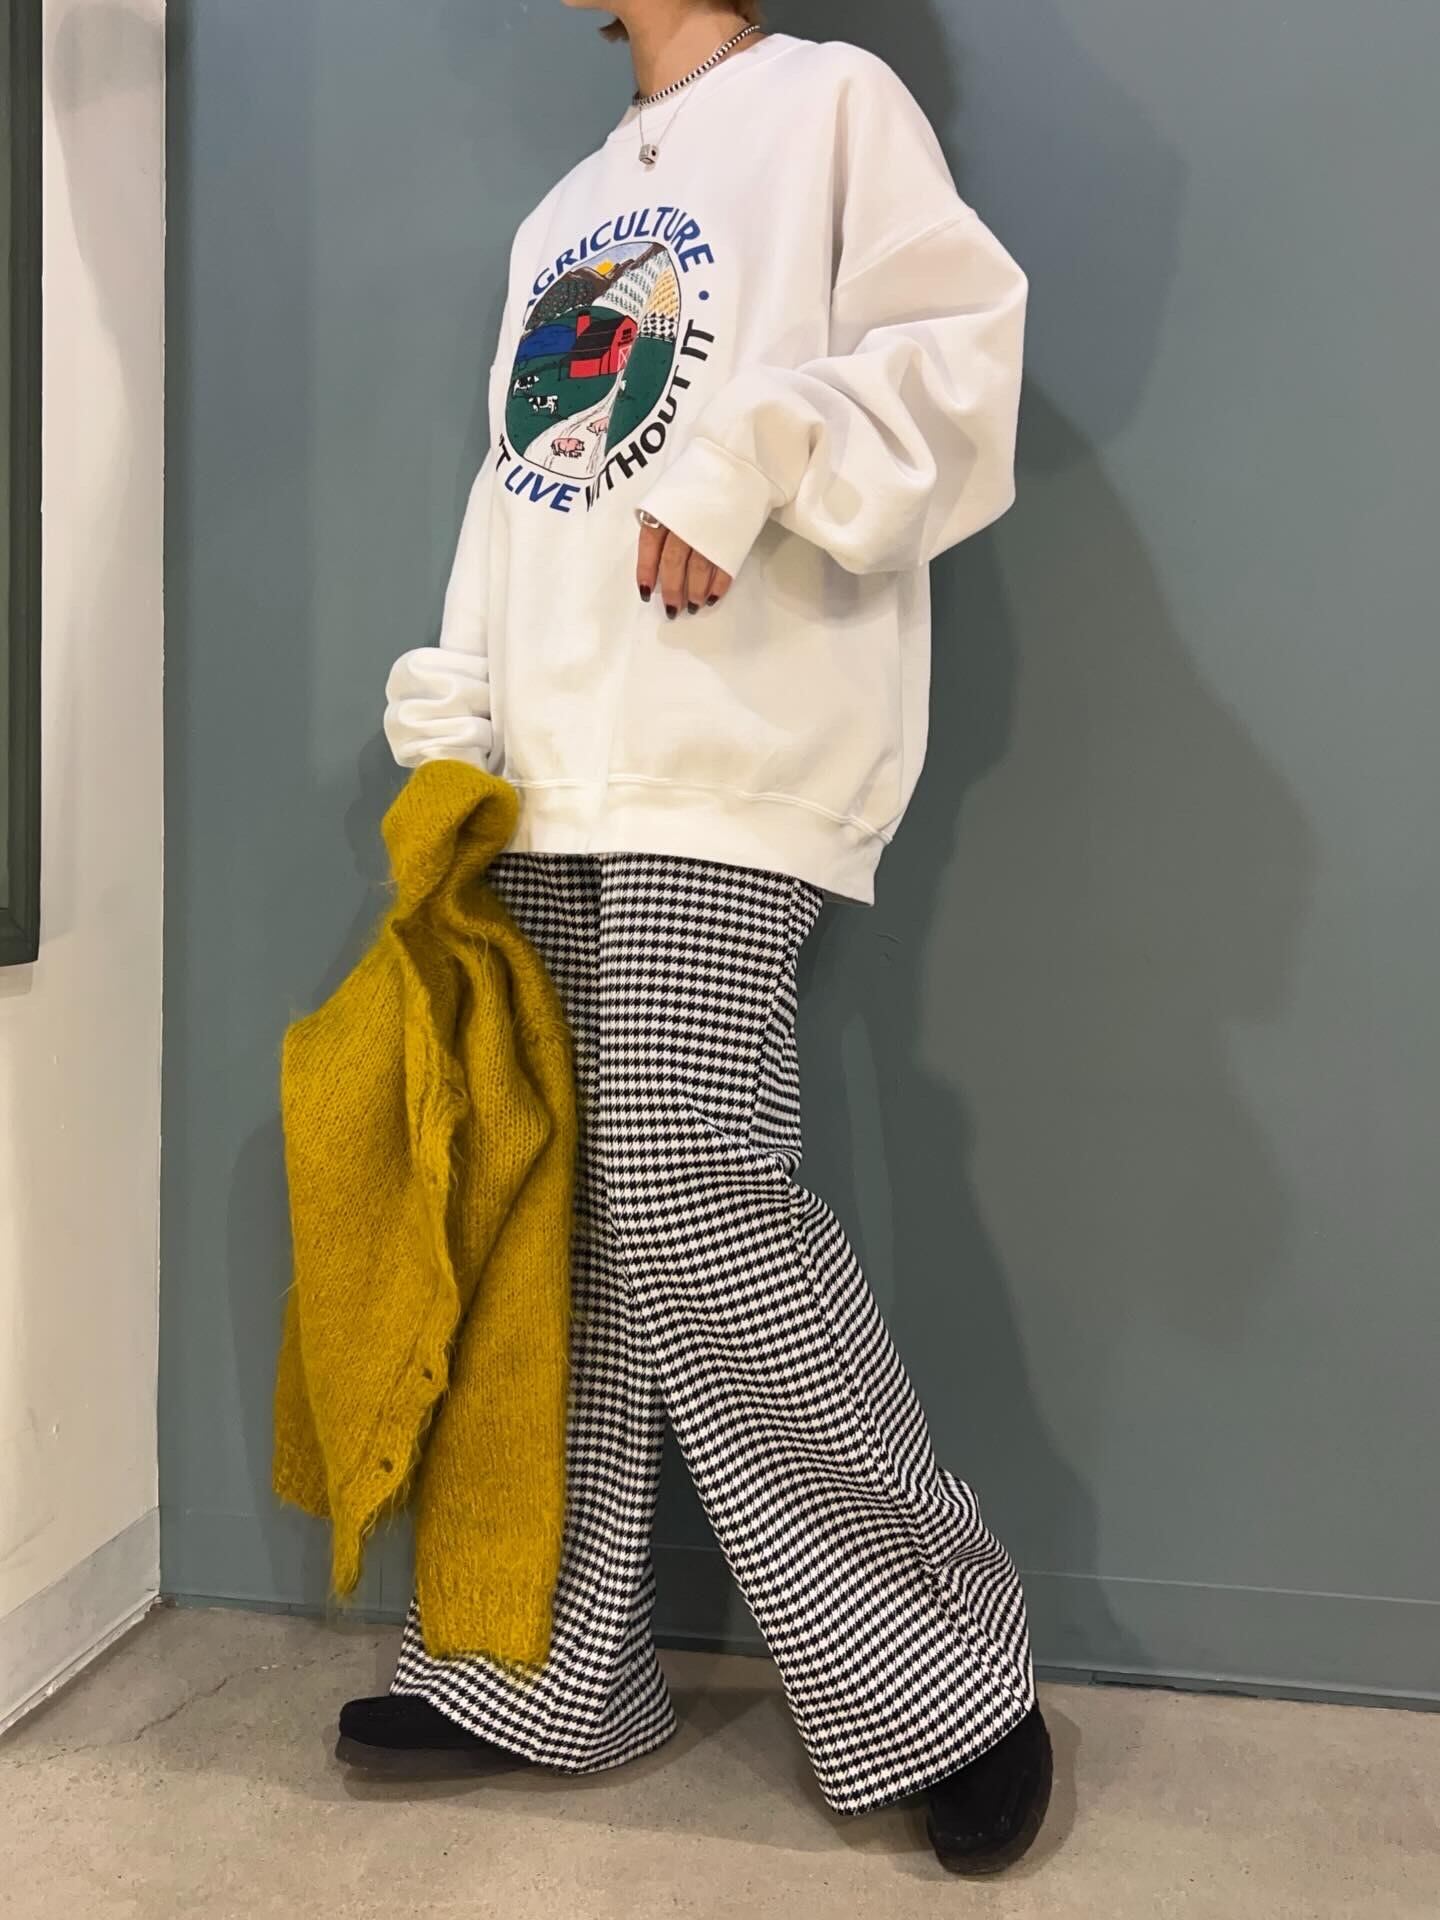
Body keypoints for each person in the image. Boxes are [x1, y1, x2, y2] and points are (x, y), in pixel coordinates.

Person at [342, 0, 1050, 1875]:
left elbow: (959, 361)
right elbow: (525, 484)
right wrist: (459, 721)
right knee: (567, 1219)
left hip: (727, 757)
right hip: (549, 776)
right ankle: (541, 1668)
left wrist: (749, 456)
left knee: (687, 1181)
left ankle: (944, 1676)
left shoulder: (831, 104)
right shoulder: (566, 207)